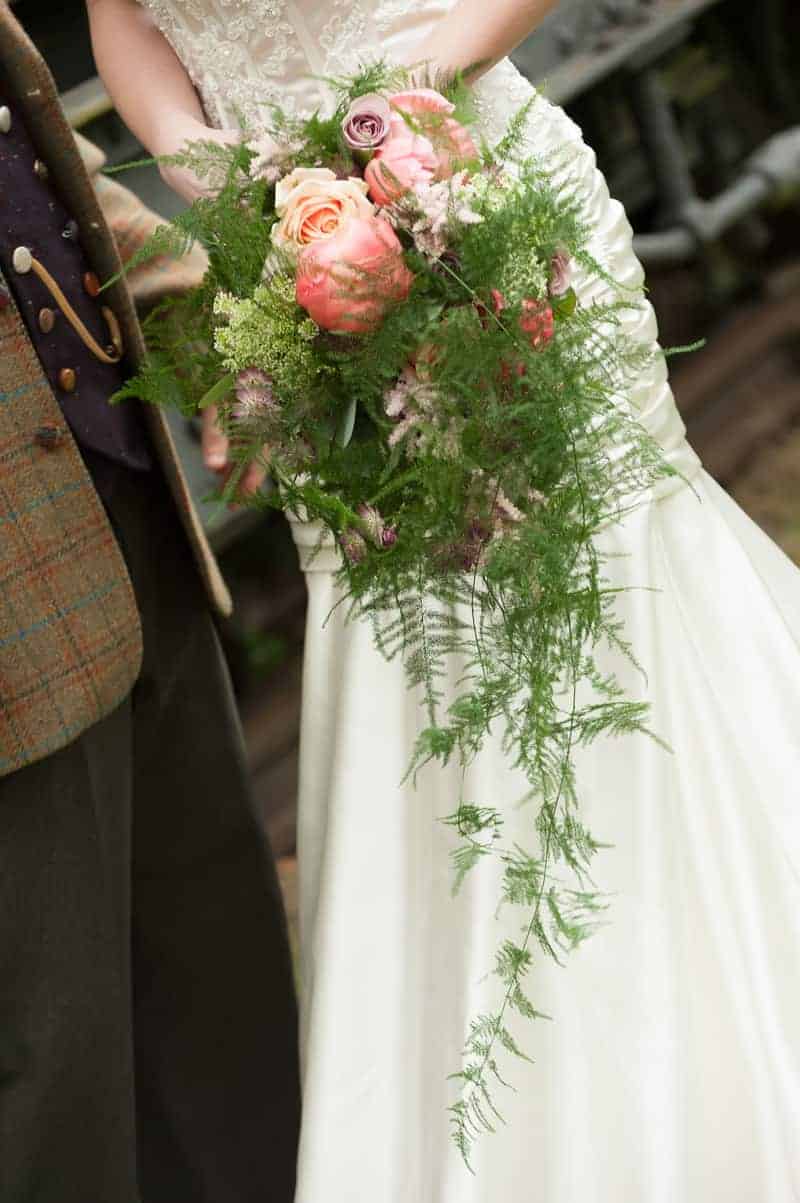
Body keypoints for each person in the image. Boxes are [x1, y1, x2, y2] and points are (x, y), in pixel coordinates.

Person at [89, 1, 800, 1199]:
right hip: (289, 261)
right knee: (406, 655)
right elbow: (122, 20)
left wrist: (376, 113)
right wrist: (218, 171)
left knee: (607, 601)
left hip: (470, 181)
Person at [0, 6, 301, 1201]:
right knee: (56, 1074)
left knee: (214, 984)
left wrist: (190, 309)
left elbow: (28, 172)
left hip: (112, 505)